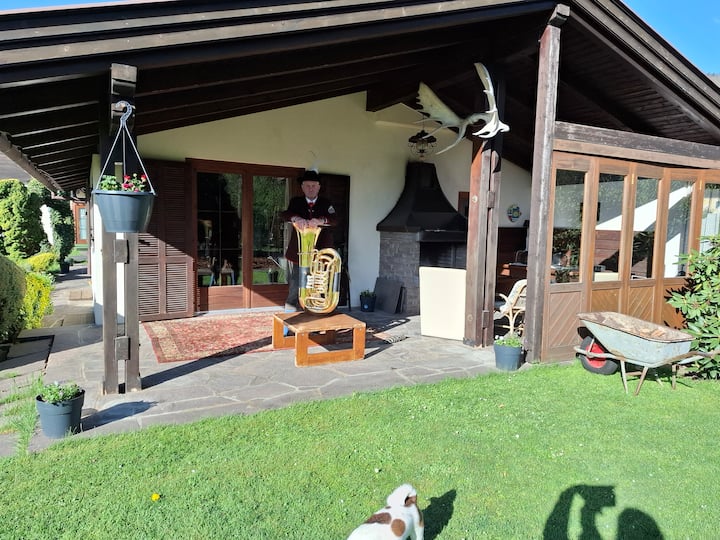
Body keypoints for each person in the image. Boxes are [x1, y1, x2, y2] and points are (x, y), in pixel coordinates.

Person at [280, 170, 338, 310]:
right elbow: (285, 214)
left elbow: (335, 219)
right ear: (302, 187)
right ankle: (289, 317)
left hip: (320, 252)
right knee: (295, 286)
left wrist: (321, 220)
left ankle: (318, 314)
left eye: (313, 186)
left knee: (319, 286)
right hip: (300, 253)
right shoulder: (296, 202)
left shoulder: (326, 203)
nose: (310, 188)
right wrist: (296, 218)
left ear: (318, 187)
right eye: (307, 186)